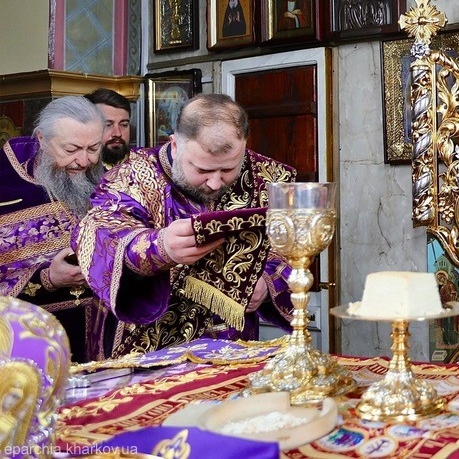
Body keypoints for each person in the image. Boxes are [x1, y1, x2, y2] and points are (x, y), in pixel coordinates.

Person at [74, 94, 297, 356]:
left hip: (232, 346)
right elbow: (99, 232)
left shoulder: (266, 178)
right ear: (175, 144)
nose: (215, 183)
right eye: (202, 170)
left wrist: (267, 283)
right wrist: (159, 247)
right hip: (144, 346)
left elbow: (291, 246)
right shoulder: (132, 175)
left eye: (228, 170)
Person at [0, 96, 110, 362]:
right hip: (28, 347)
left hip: (101, 339)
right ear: (41, 139)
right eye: (71, 149)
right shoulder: (5, 184)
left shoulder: (107, 180)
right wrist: (46, 278)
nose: (83, 161)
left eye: (93, 148)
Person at [84, 88, 132, 168]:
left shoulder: (147, 162)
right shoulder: (77, 169)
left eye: (124, 125)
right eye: (108, 125)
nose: (117, 133)